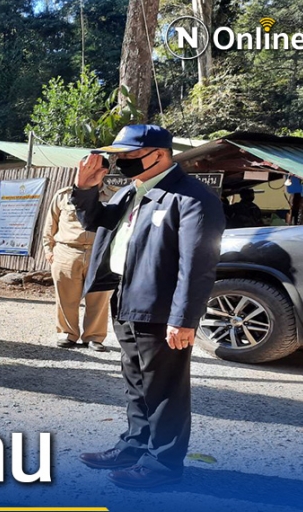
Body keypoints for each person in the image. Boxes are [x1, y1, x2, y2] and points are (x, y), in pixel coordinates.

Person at [72, 124, 225, 489]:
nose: (122, 162)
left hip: (162, 308)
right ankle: (134, 446)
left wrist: (184, 318)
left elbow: (198, 265)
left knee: (165, 389)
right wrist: (85, 188)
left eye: (130, 155)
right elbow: (94, 220)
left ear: (159, 154)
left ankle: (164, 465)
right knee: (136, 383)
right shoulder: (133, 191)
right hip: (127, 298)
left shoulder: (192, 198)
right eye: (120, 156)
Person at [43, 186, 112, 351]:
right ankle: (67, 333)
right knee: (66, 297)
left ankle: (94, 337)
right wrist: (48, 250)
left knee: (99, 298)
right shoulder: (63, 195)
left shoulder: (113, 195)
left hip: (100, 251)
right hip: (67, 251)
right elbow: (50, 224)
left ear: (104, 173)